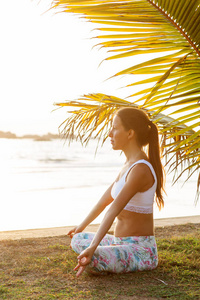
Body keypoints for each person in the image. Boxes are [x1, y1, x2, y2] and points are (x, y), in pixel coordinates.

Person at [67, 107, 165, 277]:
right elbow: (103, 202)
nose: (110, 134)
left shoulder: (140, 169)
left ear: (130, 133)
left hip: (140, 250)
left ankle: (100, 258)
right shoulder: (128, 166)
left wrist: (93, 248)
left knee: (93, 257)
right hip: (118, 242)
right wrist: (81, 227)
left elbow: (112, 210)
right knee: (78, 239)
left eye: (114, 128)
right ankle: (104, 255)